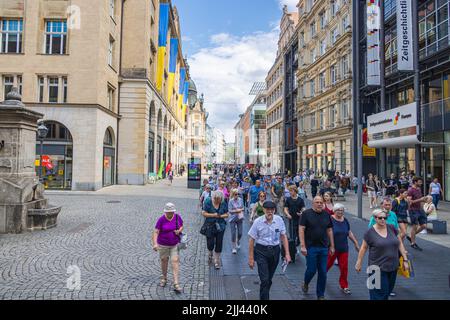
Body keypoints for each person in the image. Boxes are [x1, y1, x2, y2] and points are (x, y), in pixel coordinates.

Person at [355, 209, 409, 300]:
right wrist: (359, 262)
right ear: (375, 218)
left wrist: (405, 260)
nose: (383, 220)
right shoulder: (370, 232)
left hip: (392, 267)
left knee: (386, 292)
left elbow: (400, 244)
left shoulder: (392, 228)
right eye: (380, 218)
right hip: (375, 269)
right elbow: (364, 247)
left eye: (385, 218)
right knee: (377, 295)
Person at [248, 200, 291, 300]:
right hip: (261, 251)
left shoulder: (279, 220)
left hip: (275, 251)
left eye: (272, 210)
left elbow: (283, 237)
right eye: (267, 209)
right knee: (265, 280)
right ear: (263, 210)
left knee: (269, 279)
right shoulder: (257, 222)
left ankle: (264, 291)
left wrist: (287, 254)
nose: (269, 212)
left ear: (274, 210)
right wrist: (251, 258)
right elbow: (251, 240)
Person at [299, 196, 335, 300]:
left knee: (323, 272)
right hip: (310, 247)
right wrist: (302, 246)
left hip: (324, 247)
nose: (319, 204)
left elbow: (329, 230)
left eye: (321, 202)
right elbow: (301, 229)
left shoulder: (326, 214)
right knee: (311, 270)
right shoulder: (306, 214)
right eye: (317, 202)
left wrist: (332, 246)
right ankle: (306, 282)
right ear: (313, 203)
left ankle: (320, 295)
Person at [327, 203, 360, 295]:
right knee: (327, 265)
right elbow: (327, 232)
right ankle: (322, 276)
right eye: (338, 210)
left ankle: (344, 285)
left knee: (344, 268)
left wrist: (356, 243)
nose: (340, 212)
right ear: (334, 211)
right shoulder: (330, 219)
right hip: (332, 248)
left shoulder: (345, 220)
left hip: (343, 248)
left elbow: (349, 232)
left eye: (342, 210)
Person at [152, 203, 184, 293]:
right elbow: (156, 232)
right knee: (164, 261)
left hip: (174, 244)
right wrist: (155, 244)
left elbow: (181, 225)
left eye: (171, 212)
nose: (170, 214)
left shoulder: (177, 217)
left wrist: (179, 230)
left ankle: (176, 283)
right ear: (165, 212)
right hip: (163, 245)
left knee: (175, 261)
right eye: (168, 212)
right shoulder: (161, 219)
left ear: (174, 211)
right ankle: (164, 278)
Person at [202, 191, 229, 269]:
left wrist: (220, 216)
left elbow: (227, 214)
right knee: (210, 243)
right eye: (216, 199)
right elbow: (203, 213)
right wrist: (213, 215)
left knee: (219, 243)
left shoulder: (223, 203)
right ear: (213, 197)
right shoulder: (208, 201)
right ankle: (210, 253)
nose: (217, 200)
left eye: (219, 199)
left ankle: (216, 260)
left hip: (221, 226)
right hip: (210, 225)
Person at [406, 177, 427, 251]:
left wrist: (423, 201)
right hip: (413, 210)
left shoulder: (418, 189)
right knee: (414, 226)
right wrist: (420, 199)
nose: (421, 183)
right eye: (419, 182)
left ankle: (411, 236)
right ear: (415, 182)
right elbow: (409, 202)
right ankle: (413, 243)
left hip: (420, 210)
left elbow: (420, 200)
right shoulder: (410, 190)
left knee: (424, 226)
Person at [228, 189, 245, 254]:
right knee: (233, 234)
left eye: (238, 194)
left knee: (240, 233)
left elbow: (243, 208)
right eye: (235, 194)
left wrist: (240, 209)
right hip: (232, 219)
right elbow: (229, 210)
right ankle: (234, 247)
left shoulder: (240, 200)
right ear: (233, 194)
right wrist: (236, 211)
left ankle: (238, 240)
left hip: (239, 218)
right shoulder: (230, 201)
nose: (237, 195)